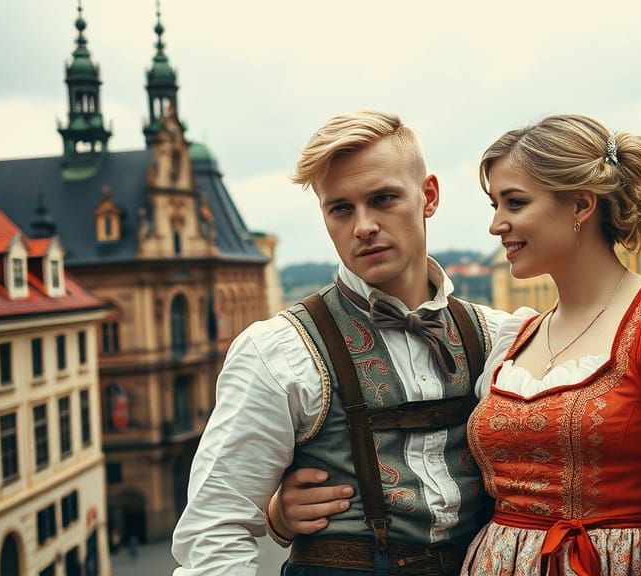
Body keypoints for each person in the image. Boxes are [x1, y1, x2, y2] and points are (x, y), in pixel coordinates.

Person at [276, 114, 641, 576]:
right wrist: (280, 511)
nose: (496, 224)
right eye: (495, 204)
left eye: (515, 202)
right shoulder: (513, 336)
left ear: (581, 204)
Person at [171, 110, 509, 576]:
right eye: (341, 209)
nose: (363, 226)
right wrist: (276, 514)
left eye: (383, 199)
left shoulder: (495, 335)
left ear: (428, 196)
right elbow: (214, 531)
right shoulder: (280, 351)